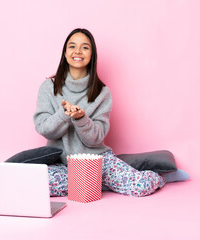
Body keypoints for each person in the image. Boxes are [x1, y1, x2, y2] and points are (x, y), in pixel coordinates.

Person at [34, 28, 165, 197]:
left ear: (92, 54)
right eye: (72, 46)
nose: (78, 51)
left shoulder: (102, 93)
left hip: (97, 160)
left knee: (139, 187)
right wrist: (63, 114)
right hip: (62, 165)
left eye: (85, 47)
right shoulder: (48, 87)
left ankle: (162, 176)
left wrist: (81, 118)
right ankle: (97, 183)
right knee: (38, 185)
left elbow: (95, 139)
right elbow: (44, 129)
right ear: (65, 53)